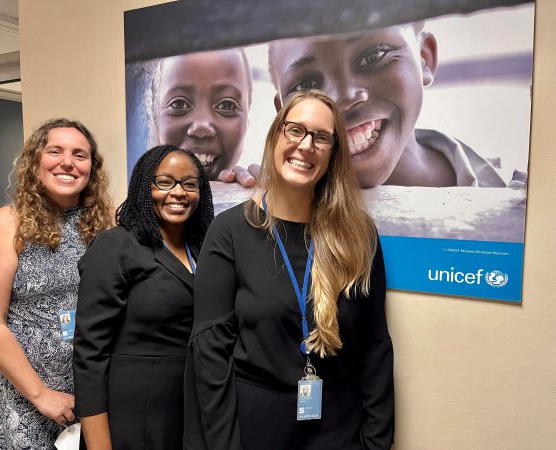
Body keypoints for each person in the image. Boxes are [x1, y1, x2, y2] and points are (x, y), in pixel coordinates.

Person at [185, 91, 394, 449]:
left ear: (333, 153)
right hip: (254, 430)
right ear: (275, 137)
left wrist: (376, 442)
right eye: (294, 130)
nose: (306, 145)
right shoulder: (230, 232)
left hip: (339, 431)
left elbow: (375, 348)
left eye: (321, 137)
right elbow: (210, 355)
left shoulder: (358, 235)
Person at [0, 118, 113, 449]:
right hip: (31, 402)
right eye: (55, 151)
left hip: (97, 394)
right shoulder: (7, 224)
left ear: (92, 167)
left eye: (80, 155)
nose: (68, 162)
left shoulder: (107, 221)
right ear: (35, 162)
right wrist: (41, 395)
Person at [232, 22, 508, 189]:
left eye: (374, 55)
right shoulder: (288, 203)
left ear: (424, 58)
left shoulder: (517, 195)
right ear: (284, 114)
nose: (343, 98)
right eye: (305, 86)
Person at [74, 145, 214, 449]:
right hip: (133, 420)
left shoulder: (205, 250)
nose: (178, 192)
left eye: (189, 184)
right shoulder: (115, 247)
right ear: (143, 186)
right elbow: (89, 356)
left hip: (189, 412)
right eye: (164, 182)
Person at [146, 48, 255, 186]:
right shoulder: (138, 199)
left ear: (247, 124)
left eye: (226, 105)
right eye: (179, 104)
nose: (202, 127)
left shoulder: (257, 198)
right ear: (154, 119)